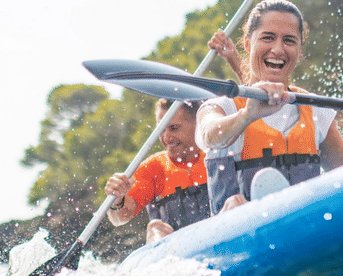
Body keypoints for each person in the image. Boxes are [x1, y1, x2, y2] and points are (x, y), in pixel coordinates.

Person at [195, 0, 343, 214]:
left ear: (299, 49)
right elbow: (211, 136)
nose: (278, 49)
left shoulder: (313, 108)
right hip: (238, 237)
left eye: (289, 41)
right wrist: (246, 116)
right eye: (268, 38)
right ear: (248, 44)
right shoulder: (221, 107)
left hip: (301, 230)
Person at [104, 34, 244, 243]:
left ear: (197, 123)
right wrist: (117, 200)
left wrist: (234, 59)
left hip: (223, 238)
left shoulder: (221, 153)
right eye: (161, 129)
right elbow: (119, 217)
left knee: (236, 202)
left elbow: (261, 103)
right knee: (154, 227)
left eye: (174, 128)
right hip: (177, 255)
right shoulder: (154, 169)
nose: (167, 137)